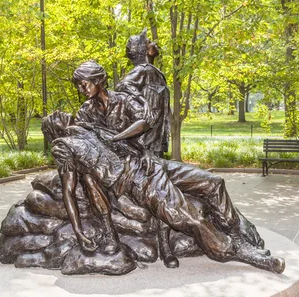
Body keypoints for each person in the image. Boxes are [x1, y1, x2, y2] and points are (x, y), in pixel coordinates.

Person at [42, 111, 285, 274]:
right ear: (55, 129)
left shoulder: (87, 126)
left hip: (153, 164)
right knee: (189, 219)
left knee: (214, 183)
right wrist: (78, 230)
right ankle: (241, 252)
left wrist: (144, 152)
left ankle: (234, 228)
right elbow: (69, 192)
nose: (60, 113)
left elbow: (131, 137)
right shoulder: (62, 147)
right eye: (55, 116)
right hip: (138, 181)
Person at [115, 28, 170, 157]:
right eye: (149, 42)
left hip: (155, 137)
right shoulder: (143, 70)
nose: (154, 44)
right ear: (144, 50)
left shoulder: (153, 71)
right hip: (146, 141)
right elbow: (123, 85)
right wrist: (143, 101)